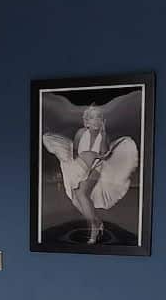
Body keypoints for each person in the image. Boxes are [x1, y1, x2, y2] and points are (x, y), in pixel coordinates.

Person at [42, 104, 139, 244]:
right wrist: (82, 159)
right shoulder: (81, 133)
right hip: (80, 166)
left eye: (99, 117)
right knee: (76, 199)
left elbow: (105, 154)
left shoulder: (103, 135)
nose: (96, 120)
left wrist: (101, 140)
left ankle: (93, 228)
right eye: (93, 118)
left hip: (96, 168)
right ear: (86, 121)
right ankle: (98, 222)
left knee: (82, 194)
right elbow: (75, 150)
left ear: (102, 121)